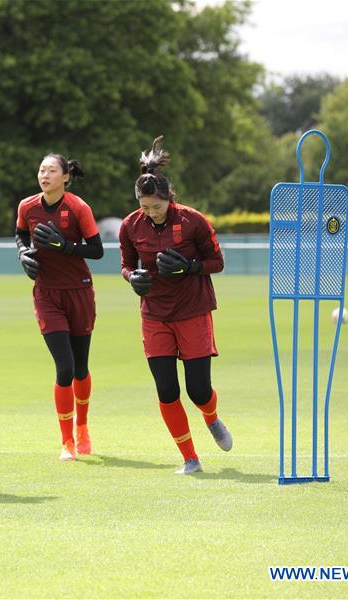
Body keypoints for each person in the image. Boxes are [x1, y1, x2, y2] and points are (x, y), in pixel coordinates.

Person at [118, 136, 232, 475]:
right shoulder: (130, 225)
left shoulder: (193, 221)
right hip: (154, 314)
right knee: (167, 390)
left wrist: (191, 267)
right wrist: (132, 277)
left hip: (193, 310)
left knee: (197, 391)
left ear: (168, 197)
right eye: (145, 207)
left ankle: (210, 417)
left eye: (157, 206)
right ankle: (190, 458)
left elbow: (217, 262)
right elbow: (126, 263)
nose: (151, 213)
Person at [15, 154, 103, 461]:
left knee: (80, 368)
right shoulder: (27, 206)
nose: (45, 175)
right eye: (41, 170)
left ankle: (83, 427)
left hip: (79, 291)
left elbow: (97, 250)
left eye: (52, 170)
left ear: (65, 177)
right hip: (47, 294)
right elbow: (21, 233)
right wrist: (24, 253)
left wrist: (65, 247)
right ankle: (67, 441)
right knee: (64, 368)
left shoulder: (78, 207)